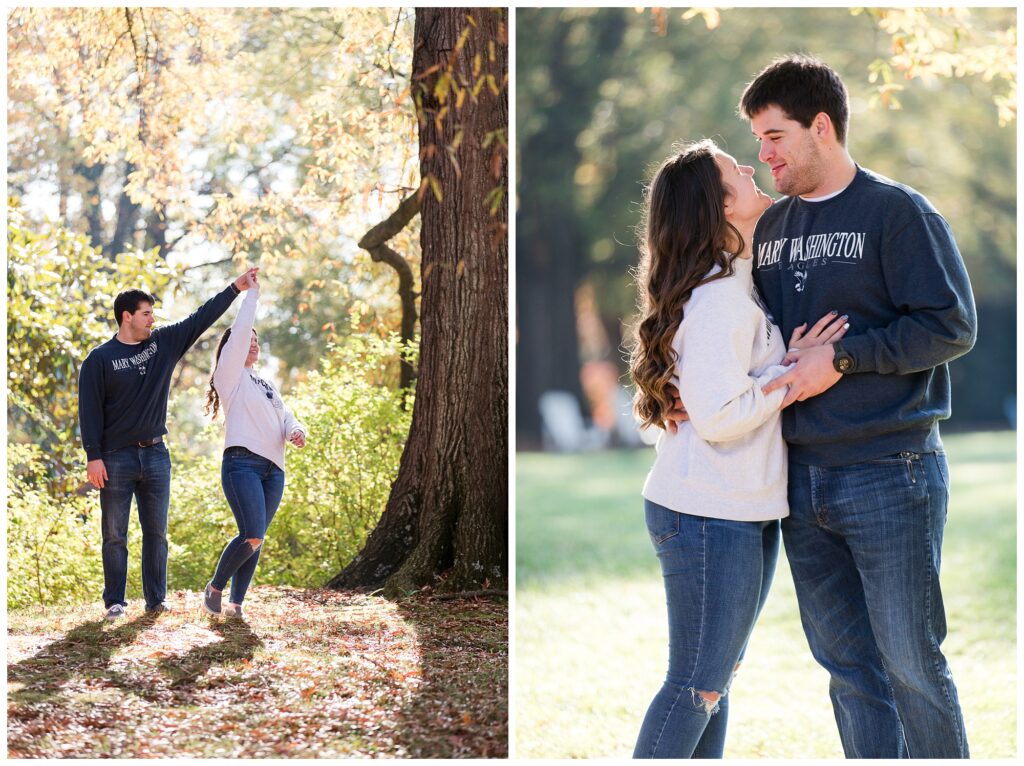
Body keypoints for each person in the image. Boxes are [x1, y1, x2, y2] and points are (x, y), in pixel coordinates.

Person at [669, 54, 976, 758]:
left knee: (912, 664)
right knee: (847, 670)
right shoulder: (768, 231)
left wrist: (841, 359)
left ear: (822, 127)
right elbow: (715, 313)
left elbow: (951, 326)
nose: (763, 154)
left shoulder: (896, 213)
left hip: (887, 467)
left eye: (775, 136)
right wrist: (680, 387)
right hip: (800, 479)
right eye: (756, 140)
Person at [629, 139, 848, 758]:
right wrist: (790, 377)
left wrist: (781, 361)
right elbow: (722, 416)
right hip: (707, 513)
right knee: (696, 685)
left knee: (714, 684)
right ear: (719, 207)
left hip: (739, 510)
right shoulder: (720, 295)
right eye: (735, 170)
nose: (751, 168)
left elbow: (714, 389)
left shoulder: (734, 281)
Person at [79, 268, 258, 620]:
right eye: (146, 313)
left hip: (157, 455)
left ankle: (155, 601)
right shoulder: (99, 359)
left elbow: (200, 317)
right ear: (126, 316)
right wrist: (93, 457)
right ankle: (114, 601)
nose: (152, 319)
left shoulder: (162, 344)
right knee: (115, 534)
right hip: (115, 458)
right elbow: (89, 412)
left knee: (157, 533)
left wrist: (235, 288)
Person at [202, 270, 306, 619]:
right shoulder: (229, 376)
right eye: (248, 340)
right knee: (252, 532)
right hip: (242, 463)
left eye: (256, 341)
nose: (253, 343)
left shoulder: (264, 383)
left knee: (256, 536)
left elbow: (285, 414)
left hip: (273, 469)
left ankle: (236, 604)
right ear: (233, 347)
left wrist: (296, 429)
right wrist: (251, 296)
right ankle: (215, 588)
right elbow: (241, 330)